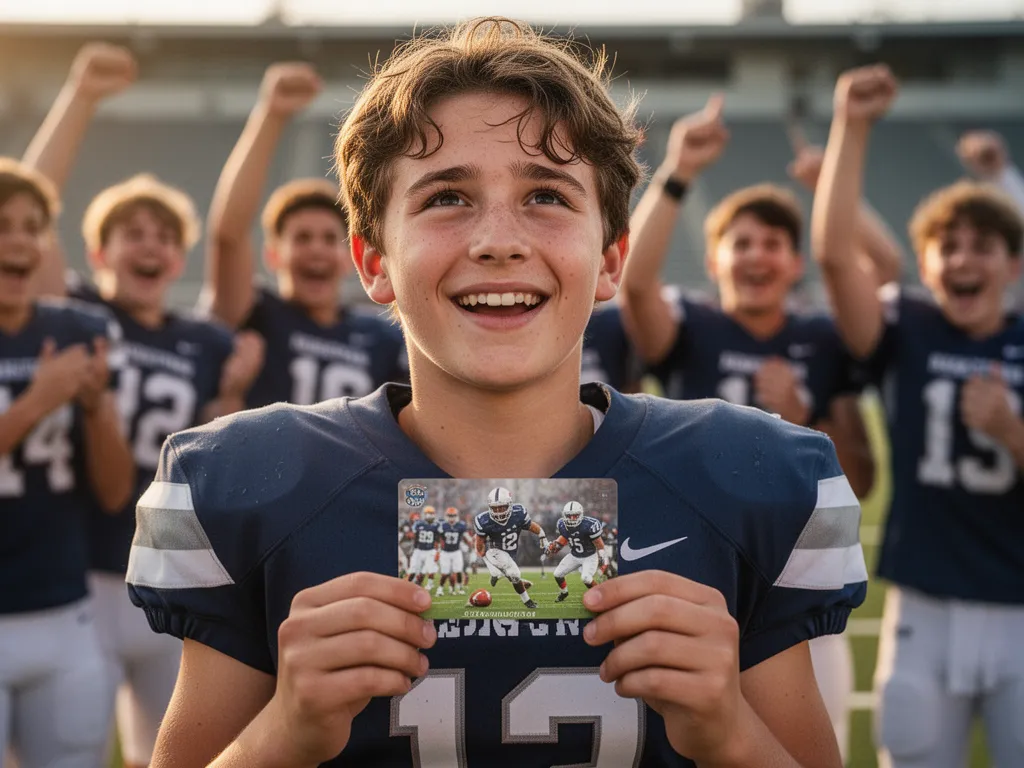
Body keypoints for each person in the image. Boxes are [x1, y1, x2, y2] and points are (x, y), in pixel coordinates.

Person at [127, 19, 865, 767]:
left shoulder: (746, 476)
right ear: (375, 261)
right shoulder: (250, 483)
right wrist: (279, 734)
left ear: (611, 258)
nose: (499, 241)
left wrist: (732, 733)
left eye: (546, 195)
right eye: (447, 198)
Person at [618, 94, 901, 761]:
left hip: (795, 584)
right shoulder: (695, 328)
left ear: (795, 264)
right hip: (694, 566)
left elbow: (861, 478)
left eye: (772, 244)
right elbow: (636, 286)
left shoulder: (822, 338)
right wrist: (679, 172)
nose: (756, 256)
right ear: (714, 262)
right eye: (740, 243)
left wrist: (802, 422)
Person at [21, 43, 265, 768]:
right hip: (84, 571)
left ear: (178, 259)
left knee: (174, 748)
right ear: (98, 254)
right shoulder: (79, 317)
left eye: (164, 237)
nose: (150, 246)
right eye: (132, 235)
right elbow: (30, 210)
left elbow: (232, 243)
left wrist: (231, 391)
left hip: (172, 562)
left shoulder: (205, 338)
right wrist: (80, 97)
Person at [812, 64, 1024, 768]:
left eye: (982, 247)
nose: (963, 259)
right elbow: (835, 255)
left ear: (1013, 267)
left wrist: (1011, 431)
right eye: (948, 247)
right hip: (924, 604)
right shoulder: (909, 327)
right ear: (926, 268)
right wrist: (852, 126)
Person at [0, 158, 133, 768]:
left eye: (32, 226)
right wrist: (37, 401)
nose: (19, 240)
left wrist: (97, 405)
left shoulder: (77, 330)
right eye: (2, 225)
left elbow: (114, 492)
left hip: (63, 610)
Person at [203, 62, 406, 407]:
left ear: (351, 256)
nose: (317, 250)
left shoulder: (381, 338)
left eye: (329, 239)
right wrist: (271, 115)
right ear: (273, 255)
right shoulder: (258, 316)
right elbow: (229, 237)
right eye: (302, 238)